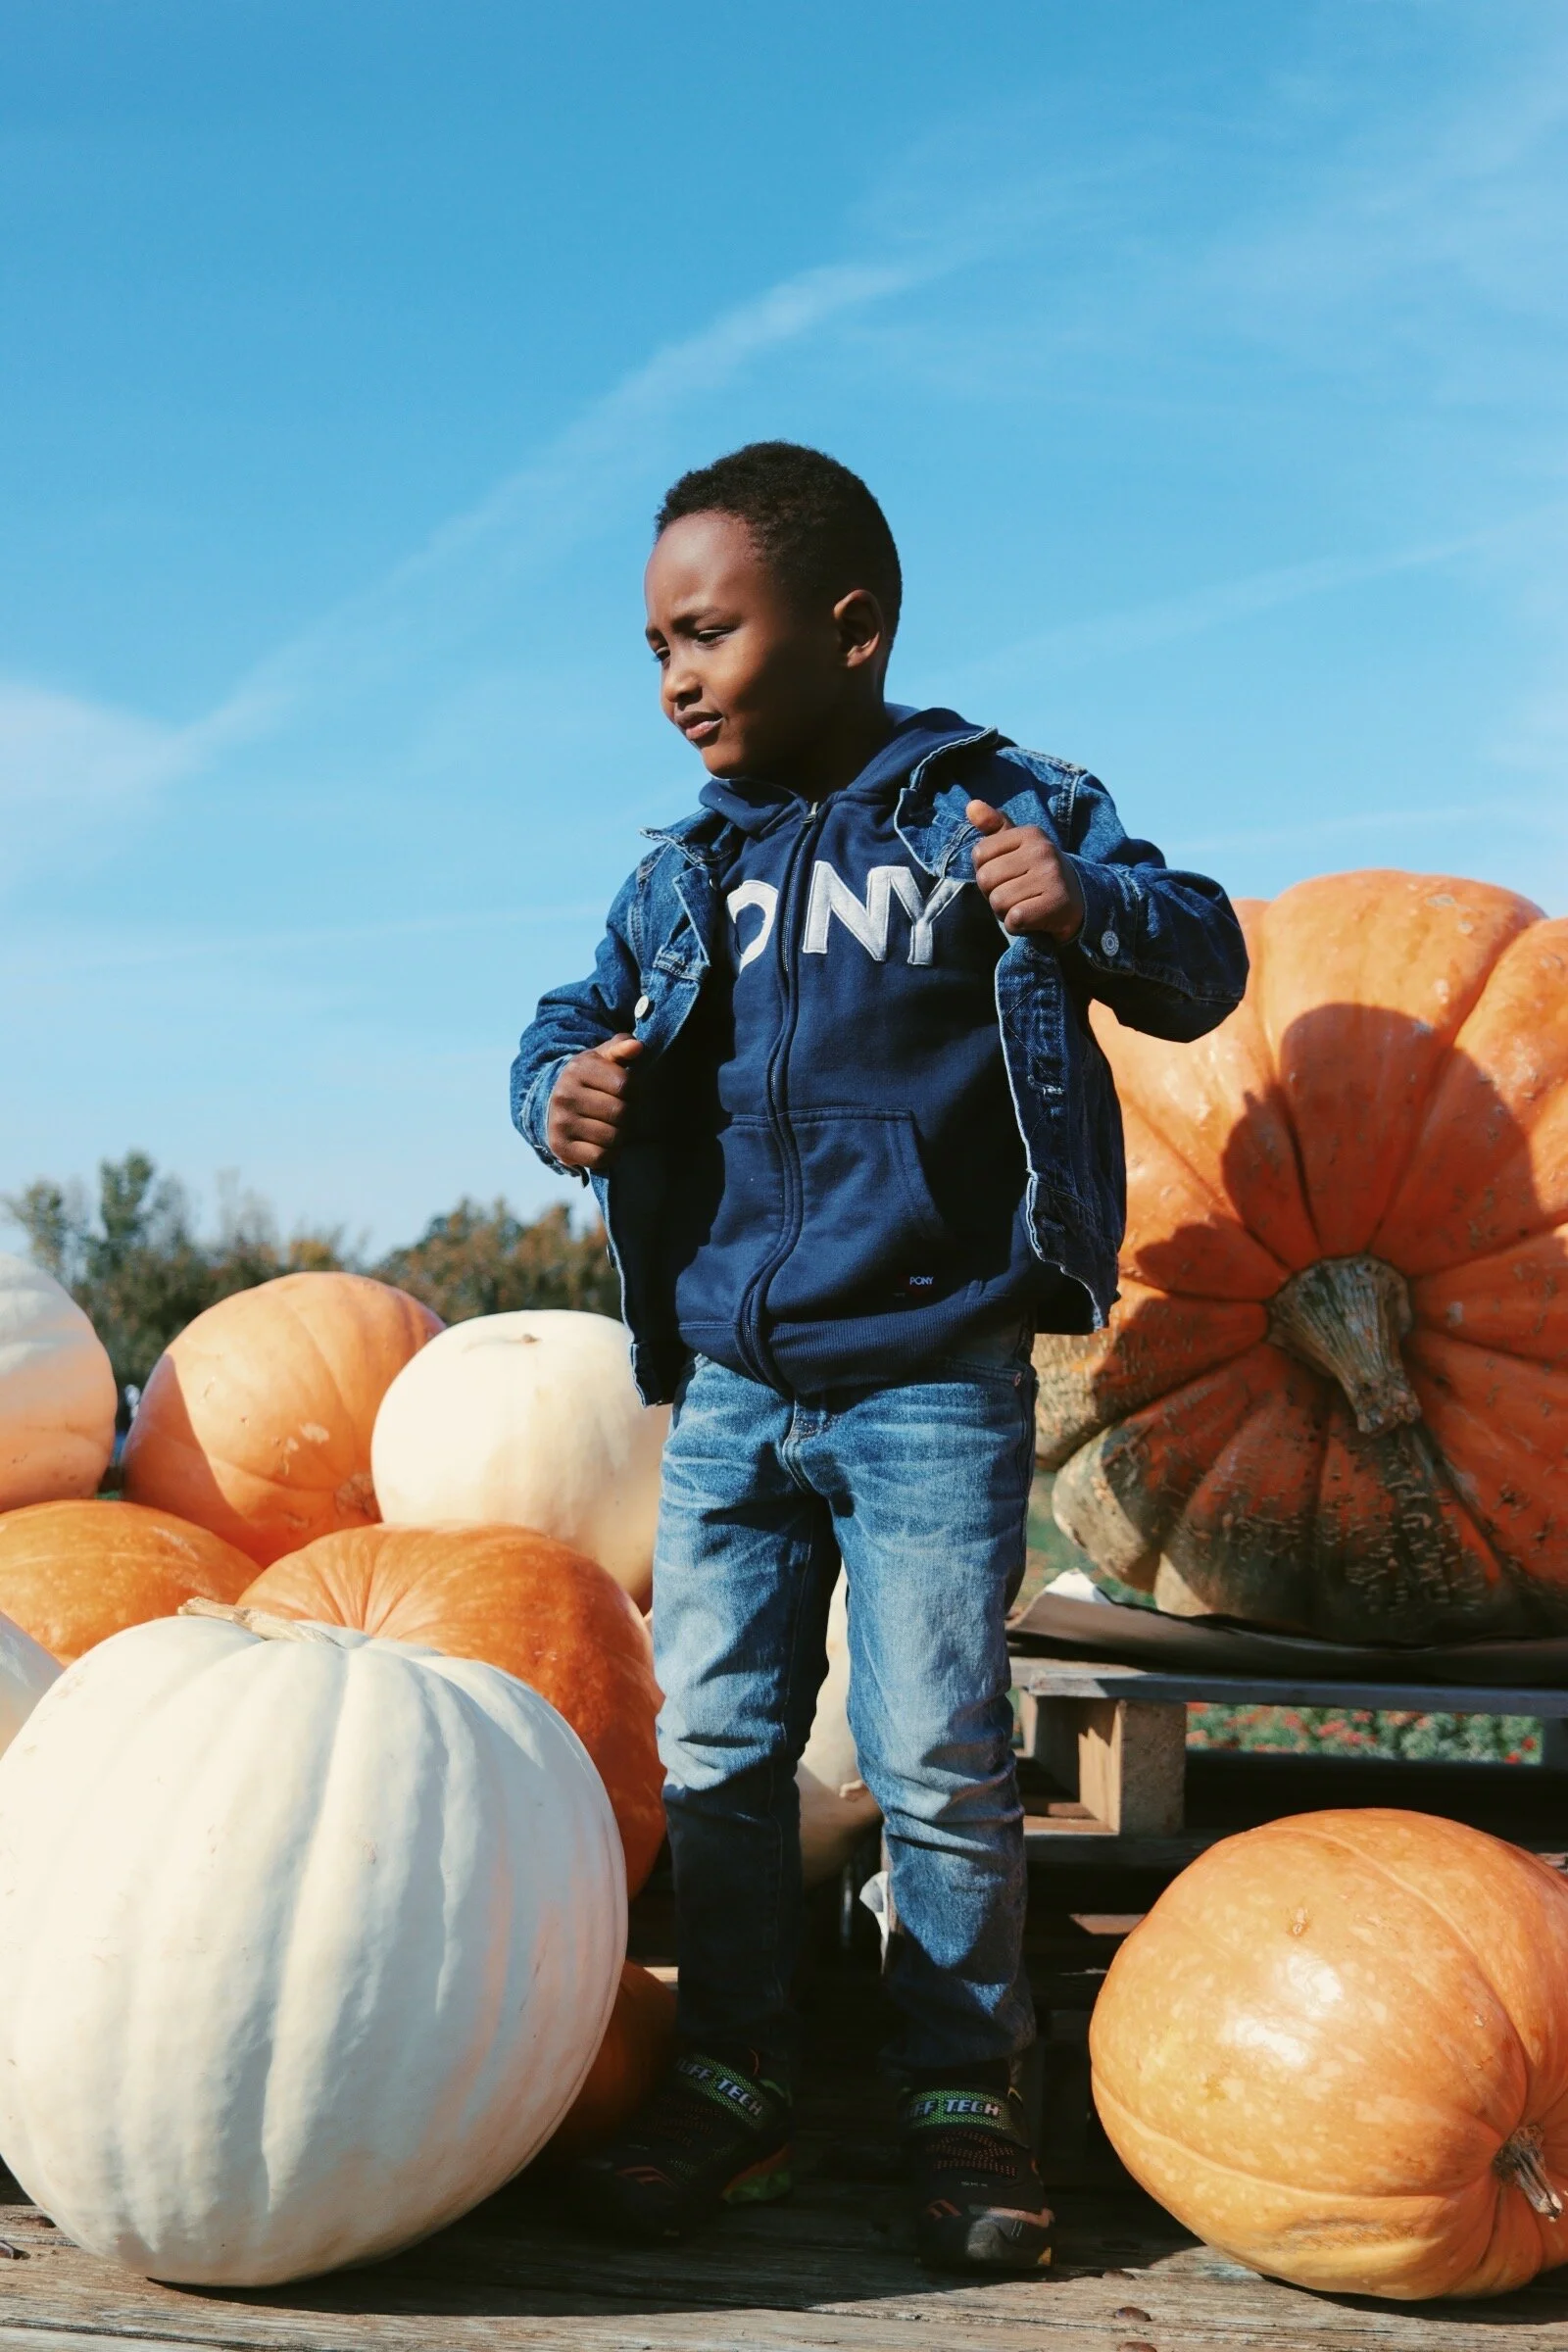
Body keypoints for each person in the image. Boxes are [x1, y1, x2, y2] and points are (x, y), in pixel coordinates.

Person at [511, 441, 1248, 2272]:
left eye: (709, 634)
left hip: (930, 1373)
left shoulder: (994, 808)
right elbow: (565, 1021)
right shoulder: (688, 870)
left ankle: (963, 2097)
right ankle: (744, 2076)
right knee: (724, 1749)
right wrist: (563, 1095)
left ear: (850, 627)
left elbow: (1206, 954)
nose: (675, 677)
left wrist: (1082, 905)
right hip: (732, 1380)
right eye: (656, 646)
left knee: (934, 1752)